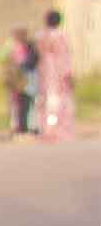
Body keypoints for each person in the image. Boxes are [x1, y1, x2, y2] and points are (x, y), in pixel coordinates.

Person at [37, 9, 77, 142]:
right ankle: (55, 131)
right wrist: (68, 73)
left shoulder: (40, 36)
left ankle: (46, 129)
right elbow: (64, 57)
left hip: (43, 71)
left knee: (45, 101)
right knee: (57, 102)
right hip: (57, 73)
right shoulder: (60, 36)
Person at [2, 26, 40, 136]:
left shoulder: (29, 46)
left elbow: (32, 60)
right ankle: (19, 126)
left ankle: (28, 126)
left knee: (29, 102)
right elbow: (5, 59)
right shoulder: (11, 46)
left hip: (27, 79)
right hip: (17, 79)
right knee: (18, 104)